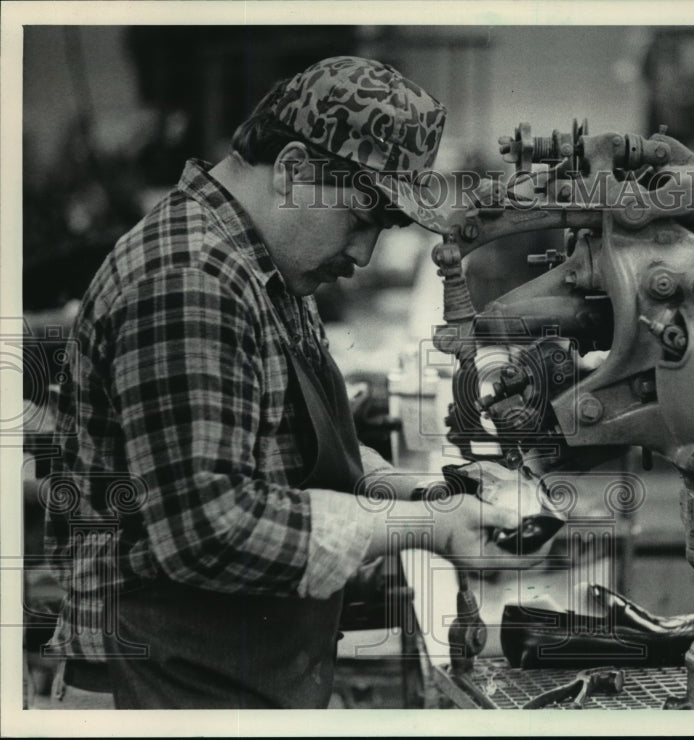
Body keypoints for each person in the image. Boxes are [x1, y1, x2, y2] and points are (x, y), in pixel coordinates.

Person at [43, 55, 523, 709]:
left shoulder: (260, 266)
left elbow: (282, 456)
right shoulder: (191, 278)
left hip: (229, 679)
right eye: (360, 221)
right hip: (160, 691)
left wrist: (420, 490)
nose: (363, 256)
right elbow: (211, 530)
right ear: (295, 171)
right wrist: (428, 527)